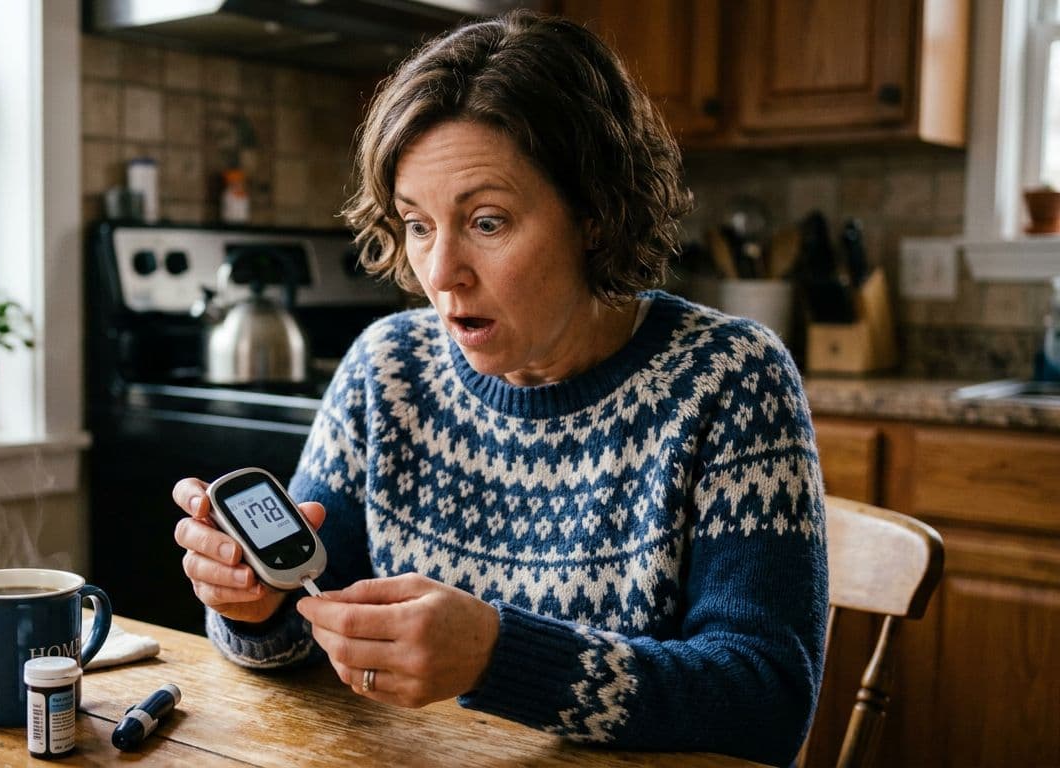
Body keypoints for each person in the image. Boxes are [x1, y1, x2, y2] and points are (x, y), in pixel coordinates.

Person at [172, 10, 827, 766]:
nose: (441, 272)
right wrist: (253, 607)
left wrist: (498, 656)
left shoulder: (732, 379)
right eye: (418, 224)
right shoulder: (387, 368)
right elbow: (306, 634)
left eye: (486, 222)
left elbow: (767, 702)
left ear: (594, 214)